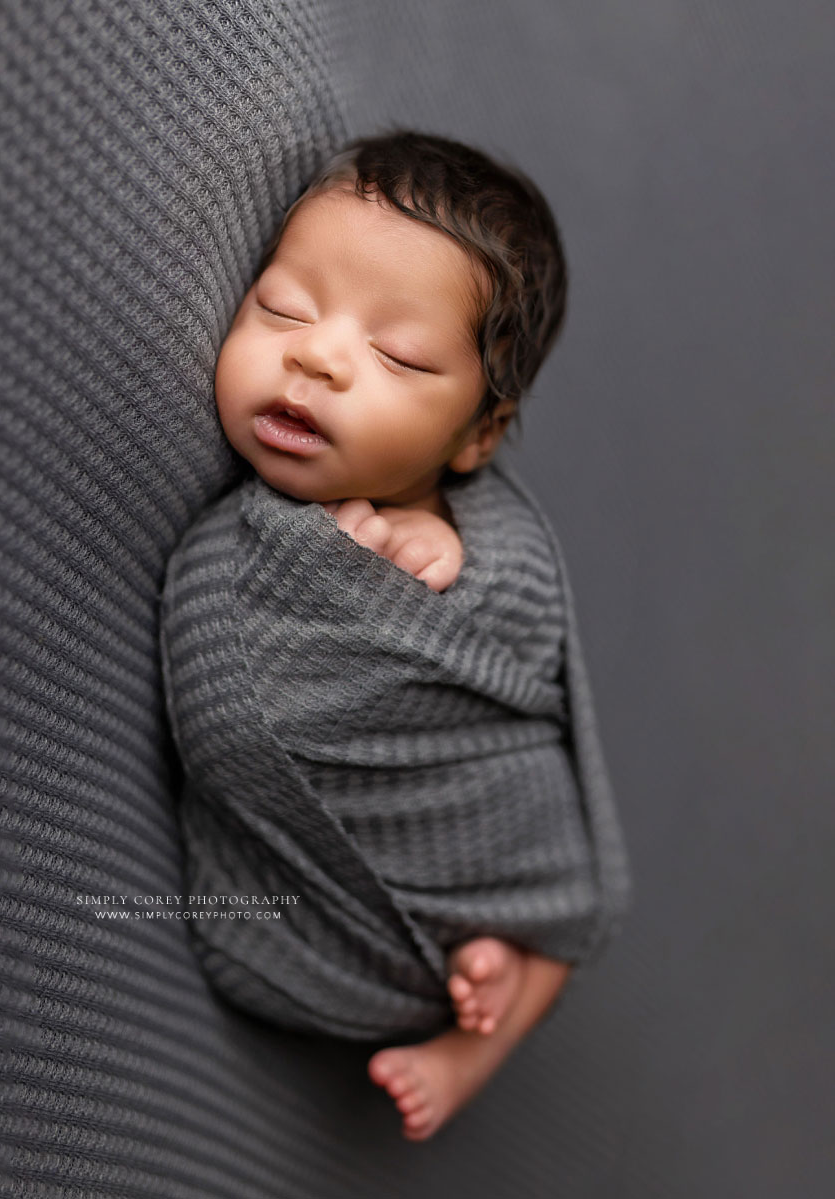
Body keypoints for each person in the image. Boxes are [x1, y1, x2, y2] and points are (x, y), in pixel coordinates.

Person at [161, 130, 628, 1141]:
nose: (315, 355)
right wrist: (340, 573)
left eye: (399, 353)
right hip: (306, 934)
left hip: (502, 842)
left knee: (569, 920)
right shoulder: (238, 553)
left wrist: (445, 544)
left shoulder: (486, 532)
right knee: (536, 939)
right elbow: (240, 729)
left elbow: (522, 622)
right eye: (280, 306)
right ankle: (490, 964)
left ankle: (479, 1037)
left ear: (476, 436)